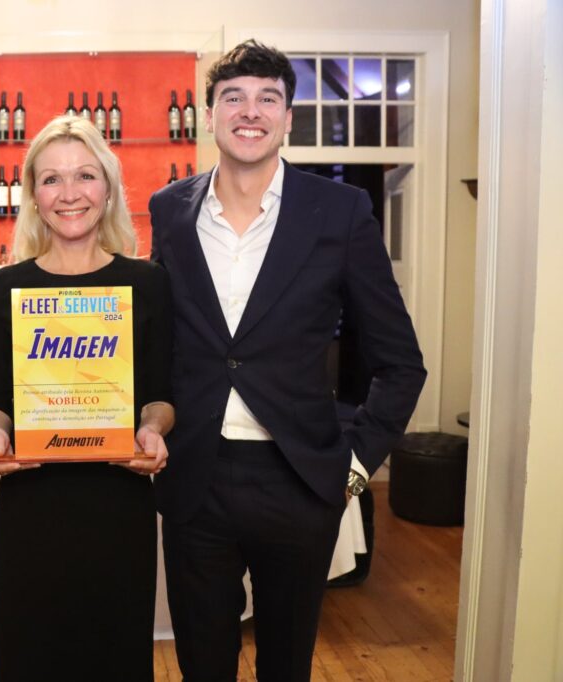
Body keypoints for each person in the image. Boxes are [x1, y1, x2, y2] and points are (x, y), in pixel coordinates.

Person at [150, 40, 426, 681]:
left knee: (287, 666)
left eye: (267, 98)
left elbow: (401, 362)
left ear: (288, 118)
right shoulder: (169, 210)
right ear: (210, 116)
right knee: (202, 666)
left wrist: (354, 469)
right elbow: (160, 341)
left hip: (299, 479)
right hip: (195, 480)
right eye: (234, 98)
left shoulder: (340, 211)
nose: (250, 111)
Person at [0, 115, 174, 682]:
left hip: (118, 507)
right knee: (31, 660)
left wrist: (153, 429)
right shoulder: (2, 289)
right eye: (51, 179)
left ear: (108, 189)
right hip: (31, 510)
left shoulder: (148, 283)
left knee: (116, 658)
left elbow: (161, 396)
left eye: (85, 175)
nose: (69, 193)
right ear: (33, 197)